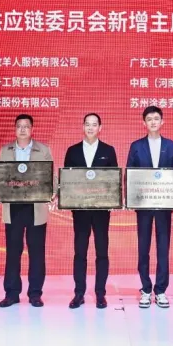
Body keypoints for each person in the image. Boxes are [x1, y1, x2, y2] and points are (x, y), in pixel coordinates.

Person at [126, 106, 173, 309]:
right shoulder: (136, 146)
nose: (153, 122)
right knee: (143, 247)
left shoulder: (171, 146)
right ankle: (145, 288)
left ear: (162, 121)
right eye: (149, 119)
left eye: (156, 118)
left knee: (163, 248)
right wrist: (130, 198)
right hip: (143, 205)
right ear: (144, 123)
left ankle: (160, 290)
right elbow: (130, 173)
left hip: (164, 205)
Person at [0, 114, 54, 308]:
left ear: (32, 129)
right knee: (13, 251)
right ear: (15, 129)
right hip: (13, 206)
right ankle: (11, 293)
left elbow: (50, 177)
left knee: (36, 252)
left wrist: (51, 192)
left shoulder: (43, 150)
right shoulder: (5, 150)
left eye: (26, 126)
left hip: (35, 206)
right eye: (19, 126)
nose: (22, 130)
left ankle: (35, 293)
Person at [64, 113, 118, 310]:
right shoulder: (72, 151)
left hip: (101, 210)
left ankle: (100, 294)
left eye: (94, 125)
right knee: (80, 252)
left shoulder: (108, 150)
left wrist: (112, 199)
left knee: (102, 252)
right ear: (83, 126)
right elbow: (67, 180)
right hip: (80, 210)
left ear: (100, 128)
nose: (90, 128)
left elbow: (113, 180)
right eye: (87, 124)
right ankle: (79, 294)